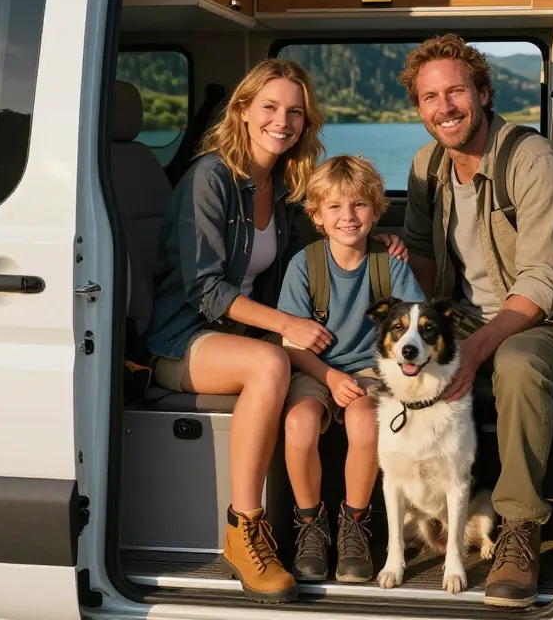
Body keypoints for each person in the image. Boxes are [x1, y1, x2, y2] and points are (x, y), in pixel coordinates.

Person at [142, 59, 405, 604]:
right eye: (269, 107)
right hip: (183, 337)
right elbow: (205, 292)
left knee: (281, 361)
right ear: (242, 111)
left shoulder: (283, 184)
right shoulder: (209, 177)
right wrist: (286, 326)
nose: (281, 121)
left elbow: (303, 262)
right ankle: (245, 531)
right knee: (272, 362)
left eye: (295, 112)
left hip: (243, 332)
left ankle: (330, 524)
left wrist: (391, 243)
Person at [398, 34, 553, 609]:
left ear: (484, 93)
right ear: (419, 108)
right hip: (462, 317)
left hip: (537, 318)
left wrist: (475, 349)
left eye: (455, 92)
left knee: (517, 365)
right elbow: (422, 256)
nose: (444, 107)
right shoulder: (427, 165)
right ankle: (366, 517)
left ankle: (520, 527)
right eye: (429, 97)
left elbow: (545, 278)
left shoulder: (531, 158)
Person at [276, 155, 424, 584]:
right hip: (315, 369)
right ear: (317, 216)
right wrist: (328, 378)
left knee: (364, 424)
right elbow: (292, 344)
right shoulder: (305, 265)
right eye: (335, 207)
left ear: (376, 211)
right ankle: (309, 526)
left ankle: (355, 525)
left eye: (359, 206)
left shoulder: (389, 264)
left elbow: (411, 330)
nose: (348, 216)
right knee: (300, 424)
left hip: (372, 372)